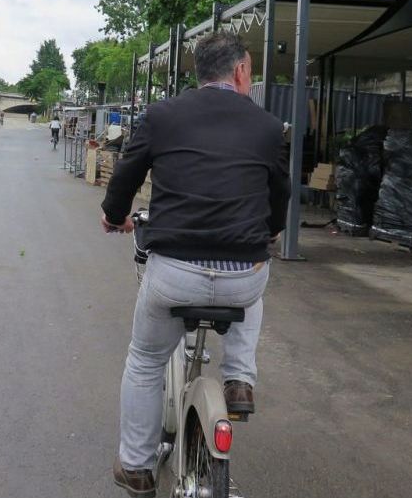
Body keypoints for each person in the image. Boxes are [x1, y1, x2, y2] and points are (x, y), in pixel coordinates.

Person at [100, 33, 289, 497]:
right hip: (242, 277)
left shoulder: (163, 115)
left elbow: (126, 171)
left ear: (198, 73)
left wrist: (113, 215)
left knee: (145, 361)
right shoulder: (267, 126)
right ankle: (240, 378)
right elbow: (279, 192)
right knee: (255, 284)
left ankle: (137, 468)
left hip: (175, 273)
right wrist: (271, 231)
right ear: (242, 71)